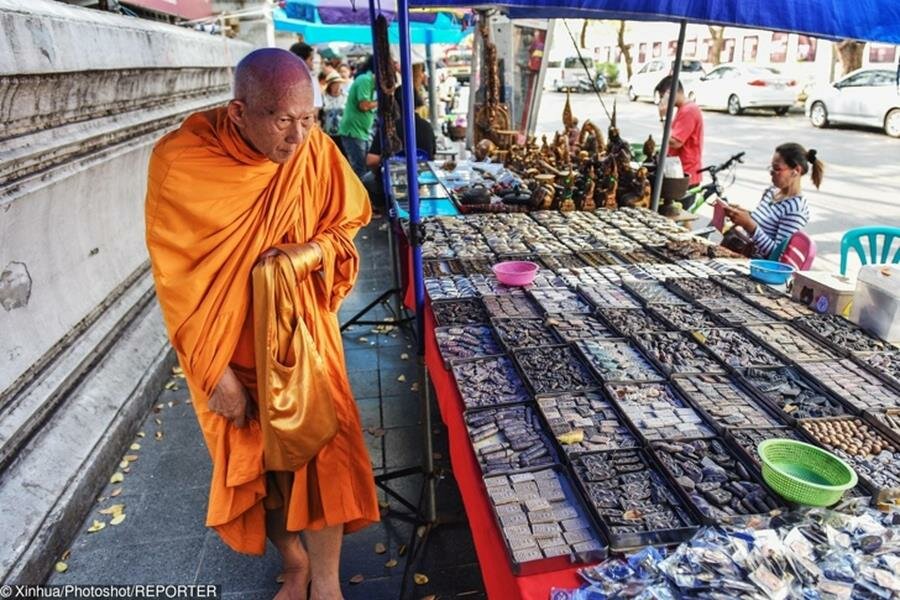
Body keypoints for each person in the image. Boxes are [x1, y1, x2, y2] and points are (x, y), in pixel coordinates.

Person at [144, 48, 378, 600]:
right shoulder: (182, 164)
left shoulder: (311, 151)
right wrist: (213, 374)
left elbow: (348, 220)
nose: (299, 138)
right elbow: (176, 278)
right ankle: (293, 562)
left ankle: (326, 583)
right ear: (238, 111)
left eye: (310, 118)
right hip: (230, 344)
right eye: (282, 121)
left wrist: (305, 255)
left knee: (326, 455)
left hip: (305, 337)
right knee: (260, 467)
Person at [721, 143, 824, 258]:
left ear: (796, 171)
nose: (771, 172)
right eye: (771, 167)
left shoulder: (795, 209)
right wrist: (741, 214)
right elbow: (764, 222)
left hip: (758, 267)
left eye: (777, 169)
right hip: (742, 254)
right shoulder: (772, 191)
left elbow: (778, 257)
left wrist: (749, 225)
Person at [363, 88, 437, 213]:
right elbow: (432, 156)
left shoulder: (389, 128)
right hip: (422, 182)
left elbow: (371, 161)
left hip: (395, 184)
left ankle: (381, 210)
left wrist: (381, 170)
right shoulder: (427, 126)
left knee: (365, 179)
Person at [656, 75, 704, 189]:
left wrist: (663, 118)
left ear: (669, 93)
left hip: (686, 174)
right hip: (680, 171)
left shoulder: (688, 111)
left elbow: (675, 142)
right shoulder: (683, 109)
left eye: (663, 97)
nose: (662, 101)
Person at [338, 55, 378, 178]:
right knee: (360, 170)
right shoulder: (366, 80)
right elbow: (364, 105)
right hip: (354, 132)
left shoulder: (370, 81)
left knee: (364, 168)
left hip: (361, 132)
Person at [320, 70, 348, 141]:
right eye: (335, 84)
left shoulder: (346, 97)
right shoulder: (323, 97)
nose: (337, 86)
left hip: (343, 133)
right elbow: (319, 116)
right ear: (330, 85)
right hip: (328, 134)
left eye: (339, 83)